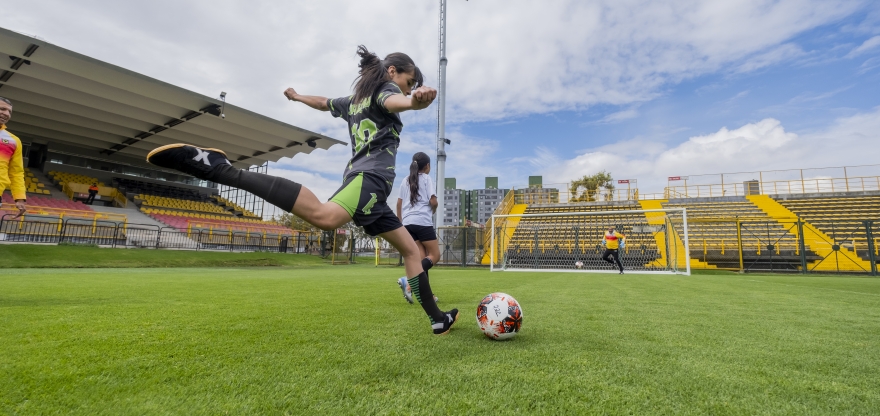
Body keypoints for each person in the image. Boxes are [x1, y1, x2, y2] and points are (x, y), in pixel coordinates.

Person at [146, 46, 459, 335]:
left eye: (414, 82)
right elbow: (394, 100)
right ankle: (222, 169)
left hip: (373, 192)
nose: (410, 84)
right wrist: (413, 102)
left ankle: (437, 319)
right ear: (392, 72)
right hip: (369, 179)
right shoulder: (386, 91)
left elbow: (324, 104)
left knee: (409, 250)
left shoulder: (353, 101)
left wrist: (297, 97)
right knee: (324, 216)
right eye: (410, 79)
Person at [396, 152, 440, 304]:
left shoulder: (405, 180)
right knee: (435, 255)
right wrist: (433, 210)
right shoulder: (427, 178)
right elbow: (433, 201)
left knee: (421, 257)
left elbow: (399, 204)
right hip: (422, 221)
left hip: (407, 223)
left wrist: (401, 224)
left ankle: (428, 296)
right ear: (427, 166)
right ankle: (409, 281)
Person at [0, 97, 27, 219]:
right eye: (2, 109)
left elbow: (16, 172)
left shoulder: (14, 141)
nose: (6, 113)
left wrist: (20, 198)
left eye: (9, 111)